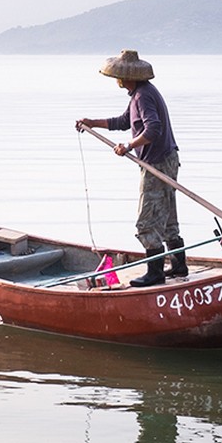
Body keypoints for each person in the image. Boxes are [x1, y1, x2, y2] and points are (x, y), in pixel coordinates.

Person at [76, 49, 186, 287]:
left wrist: (128, 145)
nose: (117, 80)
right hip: (168, 159)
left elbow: (153, 129)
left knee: (146, 222)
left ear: (126, 77)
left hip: (157, 163)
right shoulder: (140, 94)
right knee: (167, 216)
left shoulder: (143, 96)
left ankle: (155, 272)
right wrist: (92, 123)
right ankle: (179, 266)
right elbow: (124, 121)